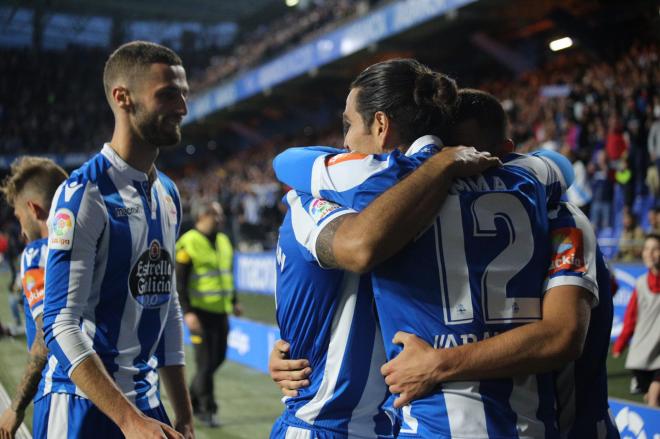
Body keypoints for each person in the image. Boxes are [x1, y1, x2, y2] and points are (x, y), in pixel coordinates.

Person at [272, 86, 597, 437]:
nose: (347, 142)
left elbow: (291, 166)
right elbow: (560, 167)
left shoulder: (383, 193)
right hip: (533, 424)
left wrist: (439, 363)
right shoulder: (544, 195)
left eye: (349, 126)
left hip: (420, 423)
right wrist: (303, 342)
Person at [270, 59, 501, 438]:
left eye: (349, 124)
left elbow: (286, 161)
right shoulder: (491, 187)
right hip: (350, 424)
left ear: (380, 125)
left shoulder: (339, 187)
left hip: (379, 424)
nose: (343, 142)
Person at [41, 41, 193, 439]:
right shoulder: (84, 195)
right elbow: (59, 324)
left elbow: (168, 304)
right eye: (167, 94)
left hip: (146, 403)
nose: (182, 107)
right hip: (82, 405)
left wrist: (184, 412)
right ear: (122, 98)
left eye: (184, 94)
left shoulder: (169, 195)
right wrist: (127, 421)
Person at [0, 157, 68, 438]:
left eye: (18, 217)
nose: (21, 228)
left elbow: (45, 338)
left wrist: (15, 408)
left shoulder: (38, 252)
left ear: (33, 209)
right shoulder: (94, 247)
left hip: (60, 398)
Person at [175, 201, 242, 427]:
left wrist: (233, 301)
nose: (220, 219)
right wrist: (188, 312)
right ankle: (207, 409)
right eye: (216, 214)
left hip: (220, 311)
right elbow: (180, 282)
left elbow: (226, 274)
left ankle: (192, 396)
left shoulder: (223, 240)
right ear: (203, 215)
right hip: (199, 313)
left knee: (218, 358)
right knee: (204, 364)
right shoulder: (188, 243)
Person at [612, 234, 660, 407]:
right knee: (652, 399)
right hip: (644, 354)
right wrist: (620, 344)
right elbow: (631, 318)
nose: (650, 253)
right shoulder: (640, 284)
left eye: (655, 249)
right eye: (647, 249)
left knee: (654, 395)